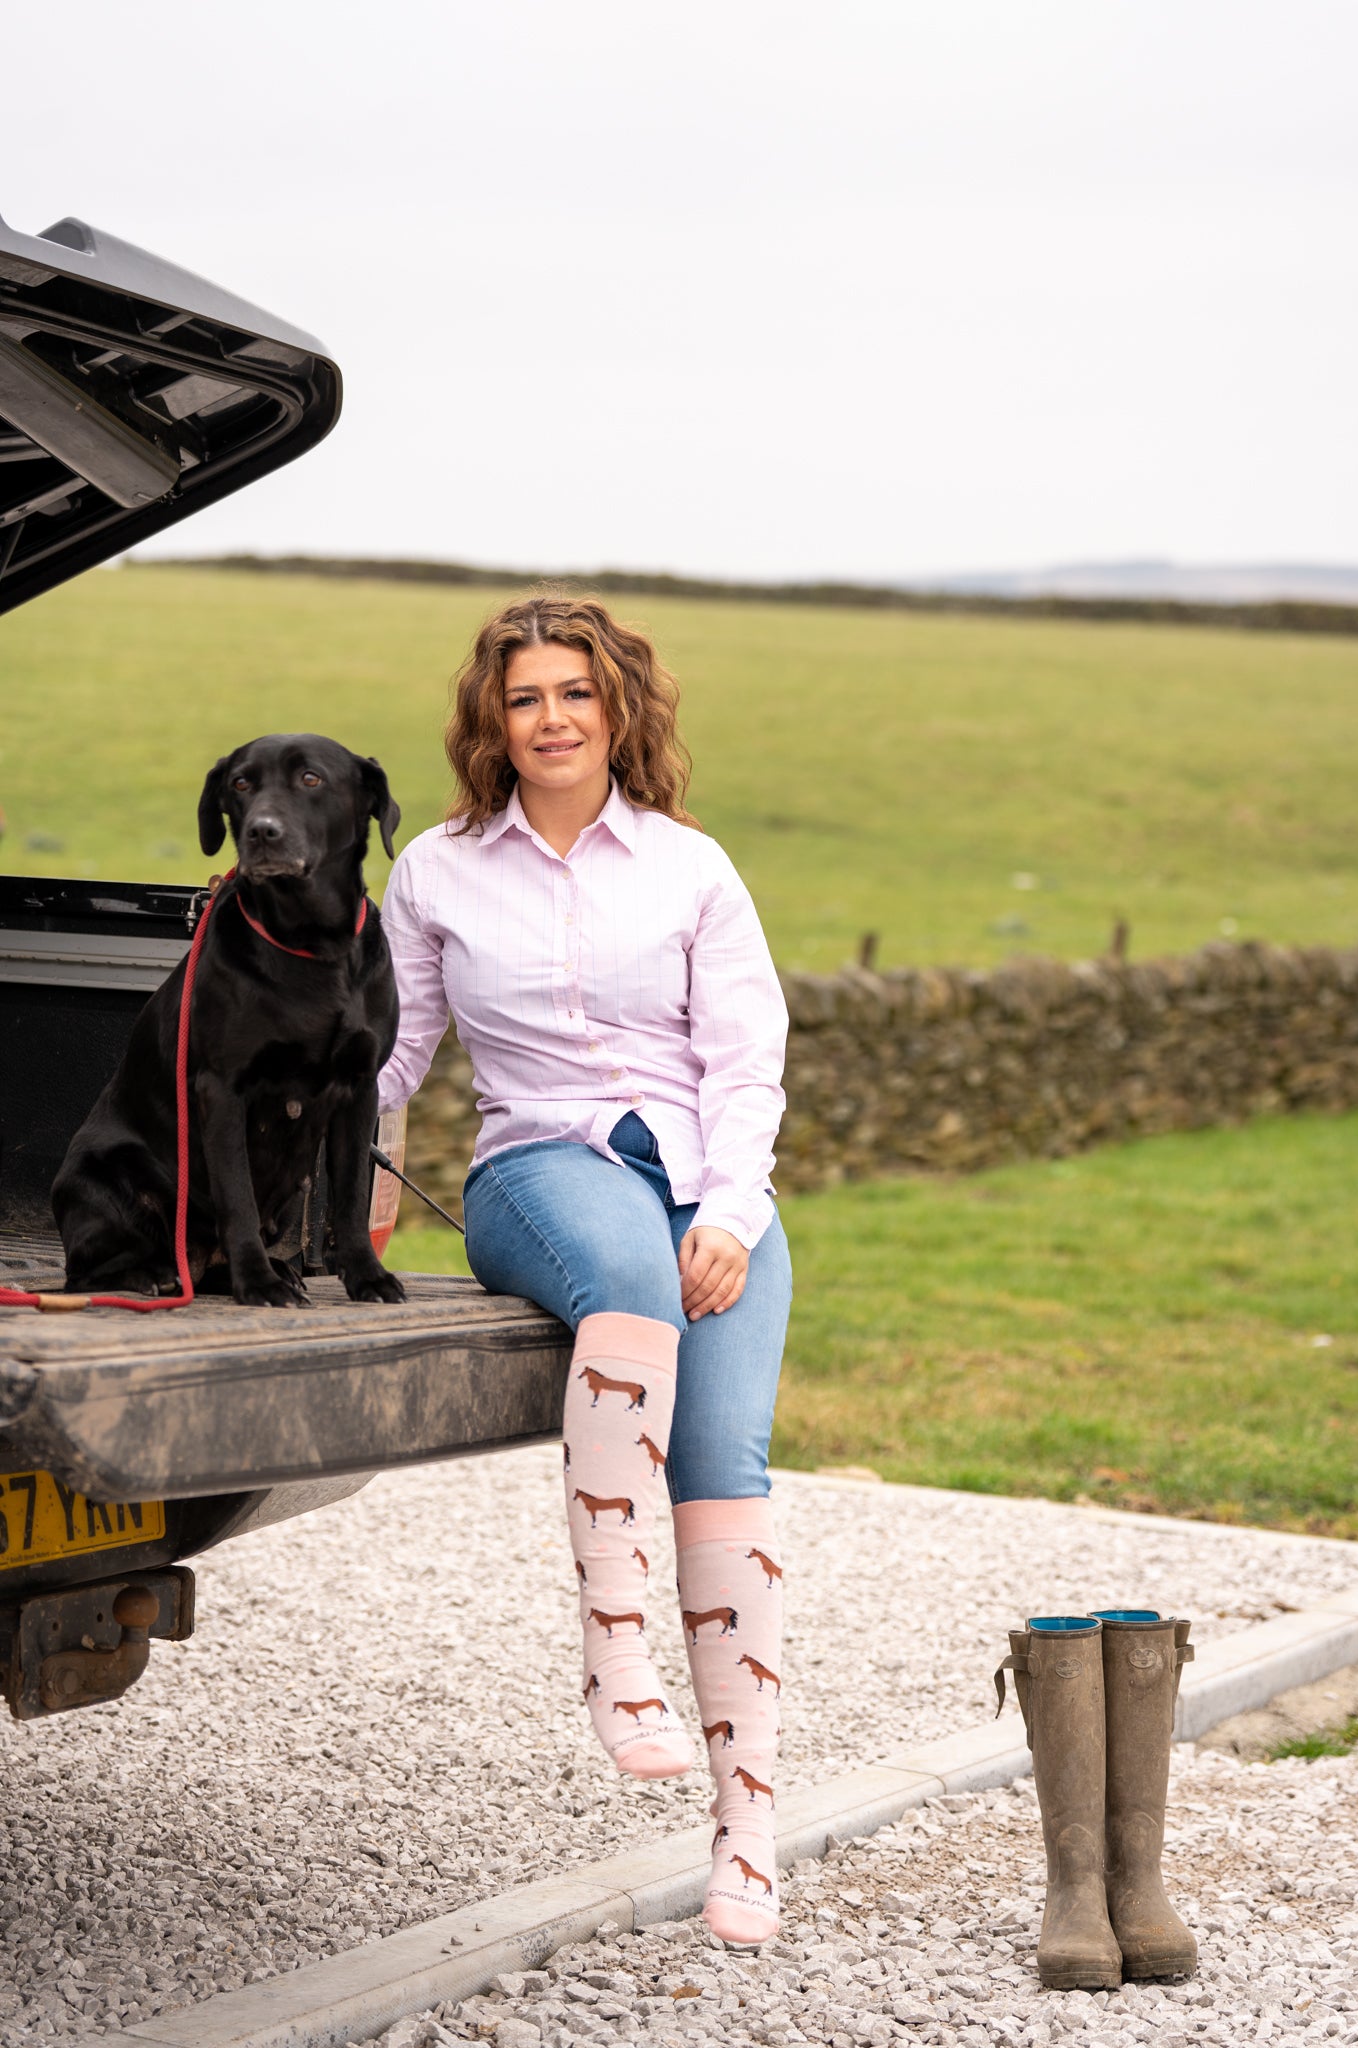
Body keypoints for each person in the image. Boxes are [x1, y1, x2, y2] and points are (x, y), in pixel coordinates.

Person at [377, 592, 791, 1944]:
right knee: (627, 1274)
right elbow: (391, 1056)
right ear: (491, 724)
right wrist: (324, 1176)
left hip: (701, 1191)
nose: (551, 719)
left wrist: (731, 1213)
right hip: (536, 1170)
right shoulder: (436, 871)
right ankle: (616, 1650)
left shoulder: (690, 867)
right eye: (524, 698)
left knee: (725, 1477)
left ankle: (747, 1835)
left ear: (617, 711)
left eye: (575, 693)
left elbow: (744, 1061)